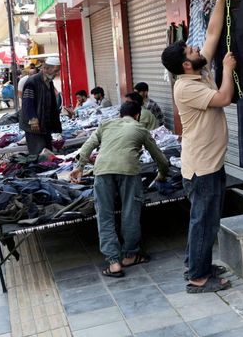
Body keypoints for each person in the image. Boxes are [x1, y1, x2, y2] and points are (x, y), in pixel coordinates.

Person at [161, 0, 236, 293]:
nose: (196, 49)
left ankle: (197, 264)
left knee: (202, 220)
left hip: (207, 163)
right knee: (204, 222)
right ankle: (198, 278)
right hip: (202, 168)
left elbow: (212, 35)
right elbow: (223, 98)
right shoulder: (186, 87)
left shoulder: (196, 71)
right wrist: (228, 69)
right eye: (190, 51)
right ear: (186, 65)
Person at [70, 101, 170, 278]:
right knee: (130, 212)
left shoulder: (106, 125)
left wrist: (79, 167)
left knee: (104, 215)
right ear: (138, 115)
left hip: (102, 171)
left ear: (120, 115)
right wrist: (162, 174)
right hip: (129, 171)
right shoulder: (140, 129)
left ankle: (114, 263)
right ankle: (130, 255)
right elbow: (160, 158)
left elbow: (88, 146)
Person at [19, 57, 62, 155]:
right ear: (46, 68)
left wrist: (56, 125)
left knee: (48, 152)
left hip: (44, 124)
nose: (57, 74)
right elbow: (27, 103)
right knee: (39, 153)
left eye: (58, 71)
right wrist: (33, 120)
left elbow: (52, 104)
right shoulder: (32, 81)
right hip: (34, 126)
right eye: (55, 71)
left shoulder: (49, 82)